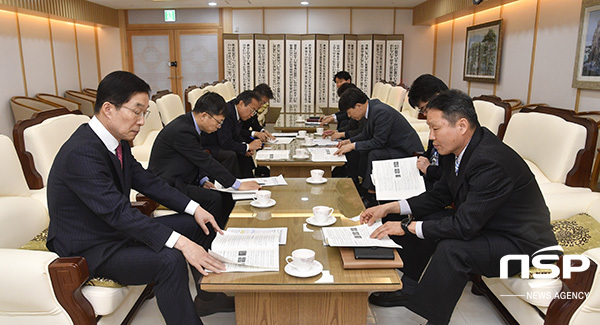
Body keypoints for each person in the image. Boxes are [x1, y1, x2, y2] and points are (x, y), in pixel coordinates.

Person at [46, 71, 231, 324]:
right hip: (93, 246)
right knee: (170, 258)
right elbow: (118, 213)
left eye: (145, 113)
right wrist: (182, 244)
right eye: (137, 111)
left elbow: (147, 181)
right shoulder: (81, 153)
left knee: (195, 224)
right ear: (109, 109)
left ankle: (209, 296)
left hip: (115, 231)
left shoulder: (116, 140)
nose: (142, 121)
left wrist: (194, 207)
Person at [361, 89, 558, 325]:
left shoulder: (490, 161)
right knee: (425, 215)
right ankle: (410, 287)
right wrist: (389, 208)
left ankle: (434, 320)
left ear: (461, 126)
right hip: (487, 224)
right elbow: (438, 196)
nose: (431, 136)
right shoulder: (455, 150)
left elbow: (464, 227)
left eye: (435, 128)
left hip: (522, 244)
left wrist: (406, 226)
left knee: (452, 249)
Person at [148, 91, 261, 230]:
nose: (219, 127)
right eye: (219, 122)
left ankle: (225, 229)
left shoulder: (191, 125)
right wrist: (236, 184)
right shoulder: (182, 130)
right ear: (204, 116)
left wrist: (203, 179)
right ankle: (209, 236)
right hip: (168, 184)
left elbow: (196, 156)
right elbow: (204, 160)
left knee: (223, 194)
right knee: (214, 199)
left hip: (183, 177)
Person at [334, 87, 423, 205]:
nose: (350, 116)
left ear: (358, 106)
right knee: (361, 149)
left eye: (349, 112)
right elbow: (366, 134)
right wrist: (349, 141)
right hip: (392, 146)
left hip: (407, 151)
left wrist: (353, 145)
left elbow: (378, 142)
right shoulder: (371, 109)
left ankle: (371, 195)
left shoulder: (381, 111)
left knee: (375, 154)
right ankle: (362, 185)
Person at [202, 90, 263, 178]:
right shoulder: (228, 113)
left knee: (244, 152)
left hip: (220, 143)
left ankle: (249, 179)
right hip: (210, 146)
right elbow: (226, 143)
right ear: (241, 104)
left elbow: (235, 135)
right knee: (231, 154)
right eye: (252, 110)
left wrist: (245, 148)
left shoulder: (236, 112)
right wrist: (248, 146)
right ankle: (234, 183)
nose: (252, 115)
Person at [407, 74, 449, 190]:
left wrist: (428, 169)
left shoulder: (452, 127)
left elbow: (452, 174)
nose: (425, 114)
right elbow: (431, 154)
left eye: (425, 109)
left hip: (439, 186)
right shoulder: (436, 123)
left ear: (437, 97)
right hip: (428, 177)